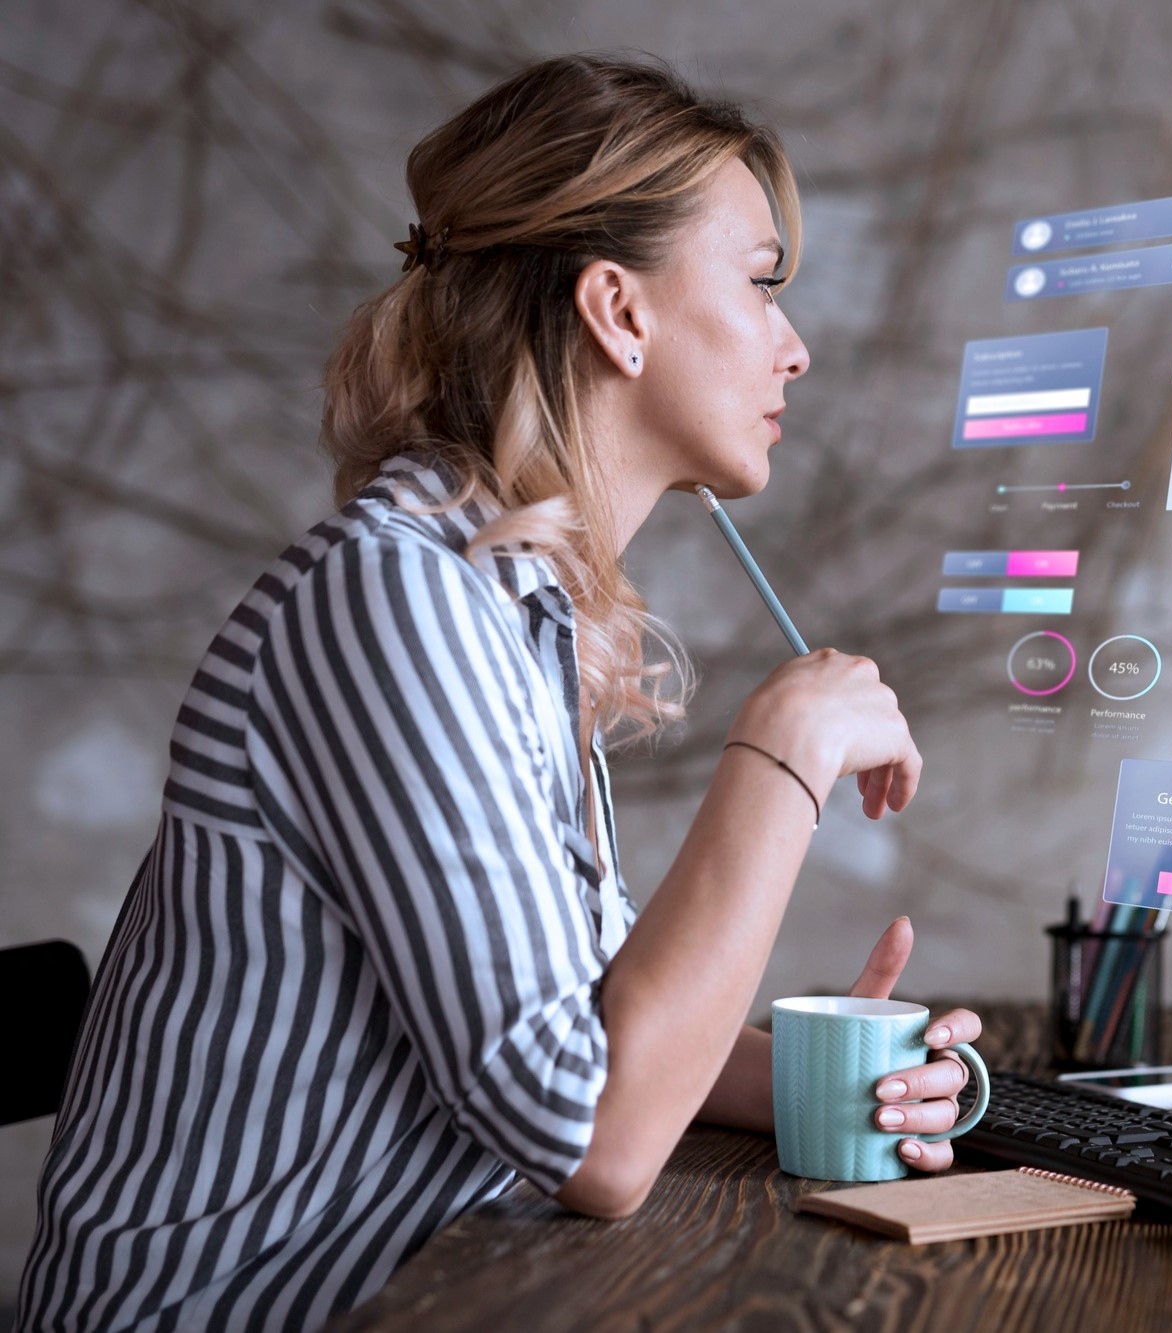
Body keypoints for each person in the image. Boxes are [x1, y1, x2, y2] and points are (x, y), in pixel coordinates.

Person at [17, 52, 979, 1332]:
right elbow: (592, 1135)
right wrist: (783, 753)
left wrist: (823, 1081)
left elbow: (569, 1034)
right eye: (759, 286)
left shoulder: (508, 607)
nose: (793, 349)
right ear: (618, 312)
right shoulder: (393, 601)